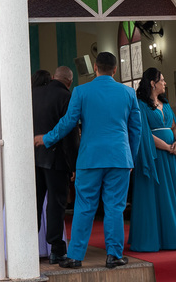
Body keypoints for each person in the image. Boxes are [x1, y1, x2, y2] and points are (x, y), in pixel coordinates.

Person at [35, 51, 140, 270]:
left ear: (94, 67)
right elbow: (135, 130)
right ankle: (113, 256)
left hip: (90, 158)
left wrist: (46, 138)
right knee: (114, 208)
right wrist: (131, 157)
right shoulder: (129, 93)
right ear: (115, 69)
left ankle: (74, 257)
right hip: (119, 158)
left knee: (84, 207)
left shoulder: (81, 91)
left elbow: (68, 123)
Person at [129, 68, 176, 252]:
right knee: (161, 196)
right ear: (153, 83)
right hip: (156, 156)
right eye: (163, 80)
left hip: (174, 156)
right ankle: (163, 238)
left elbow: (174, 126)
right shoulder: (141, 104)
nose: (165, 83)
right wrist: (167, 147)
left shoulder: (165, 103)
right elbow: (144, 134)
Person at [31, 66, 76, 264]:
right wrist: (73, 164)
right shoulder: (66, 97)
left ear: (53, 77)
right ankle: (56, 248)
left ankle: (28, 244)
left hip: (33, 157)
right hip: (56, 158)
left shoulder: (34, 93)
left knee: (35, 203)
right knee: (56, 204)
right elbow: (70, 135)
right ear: (69, 82)